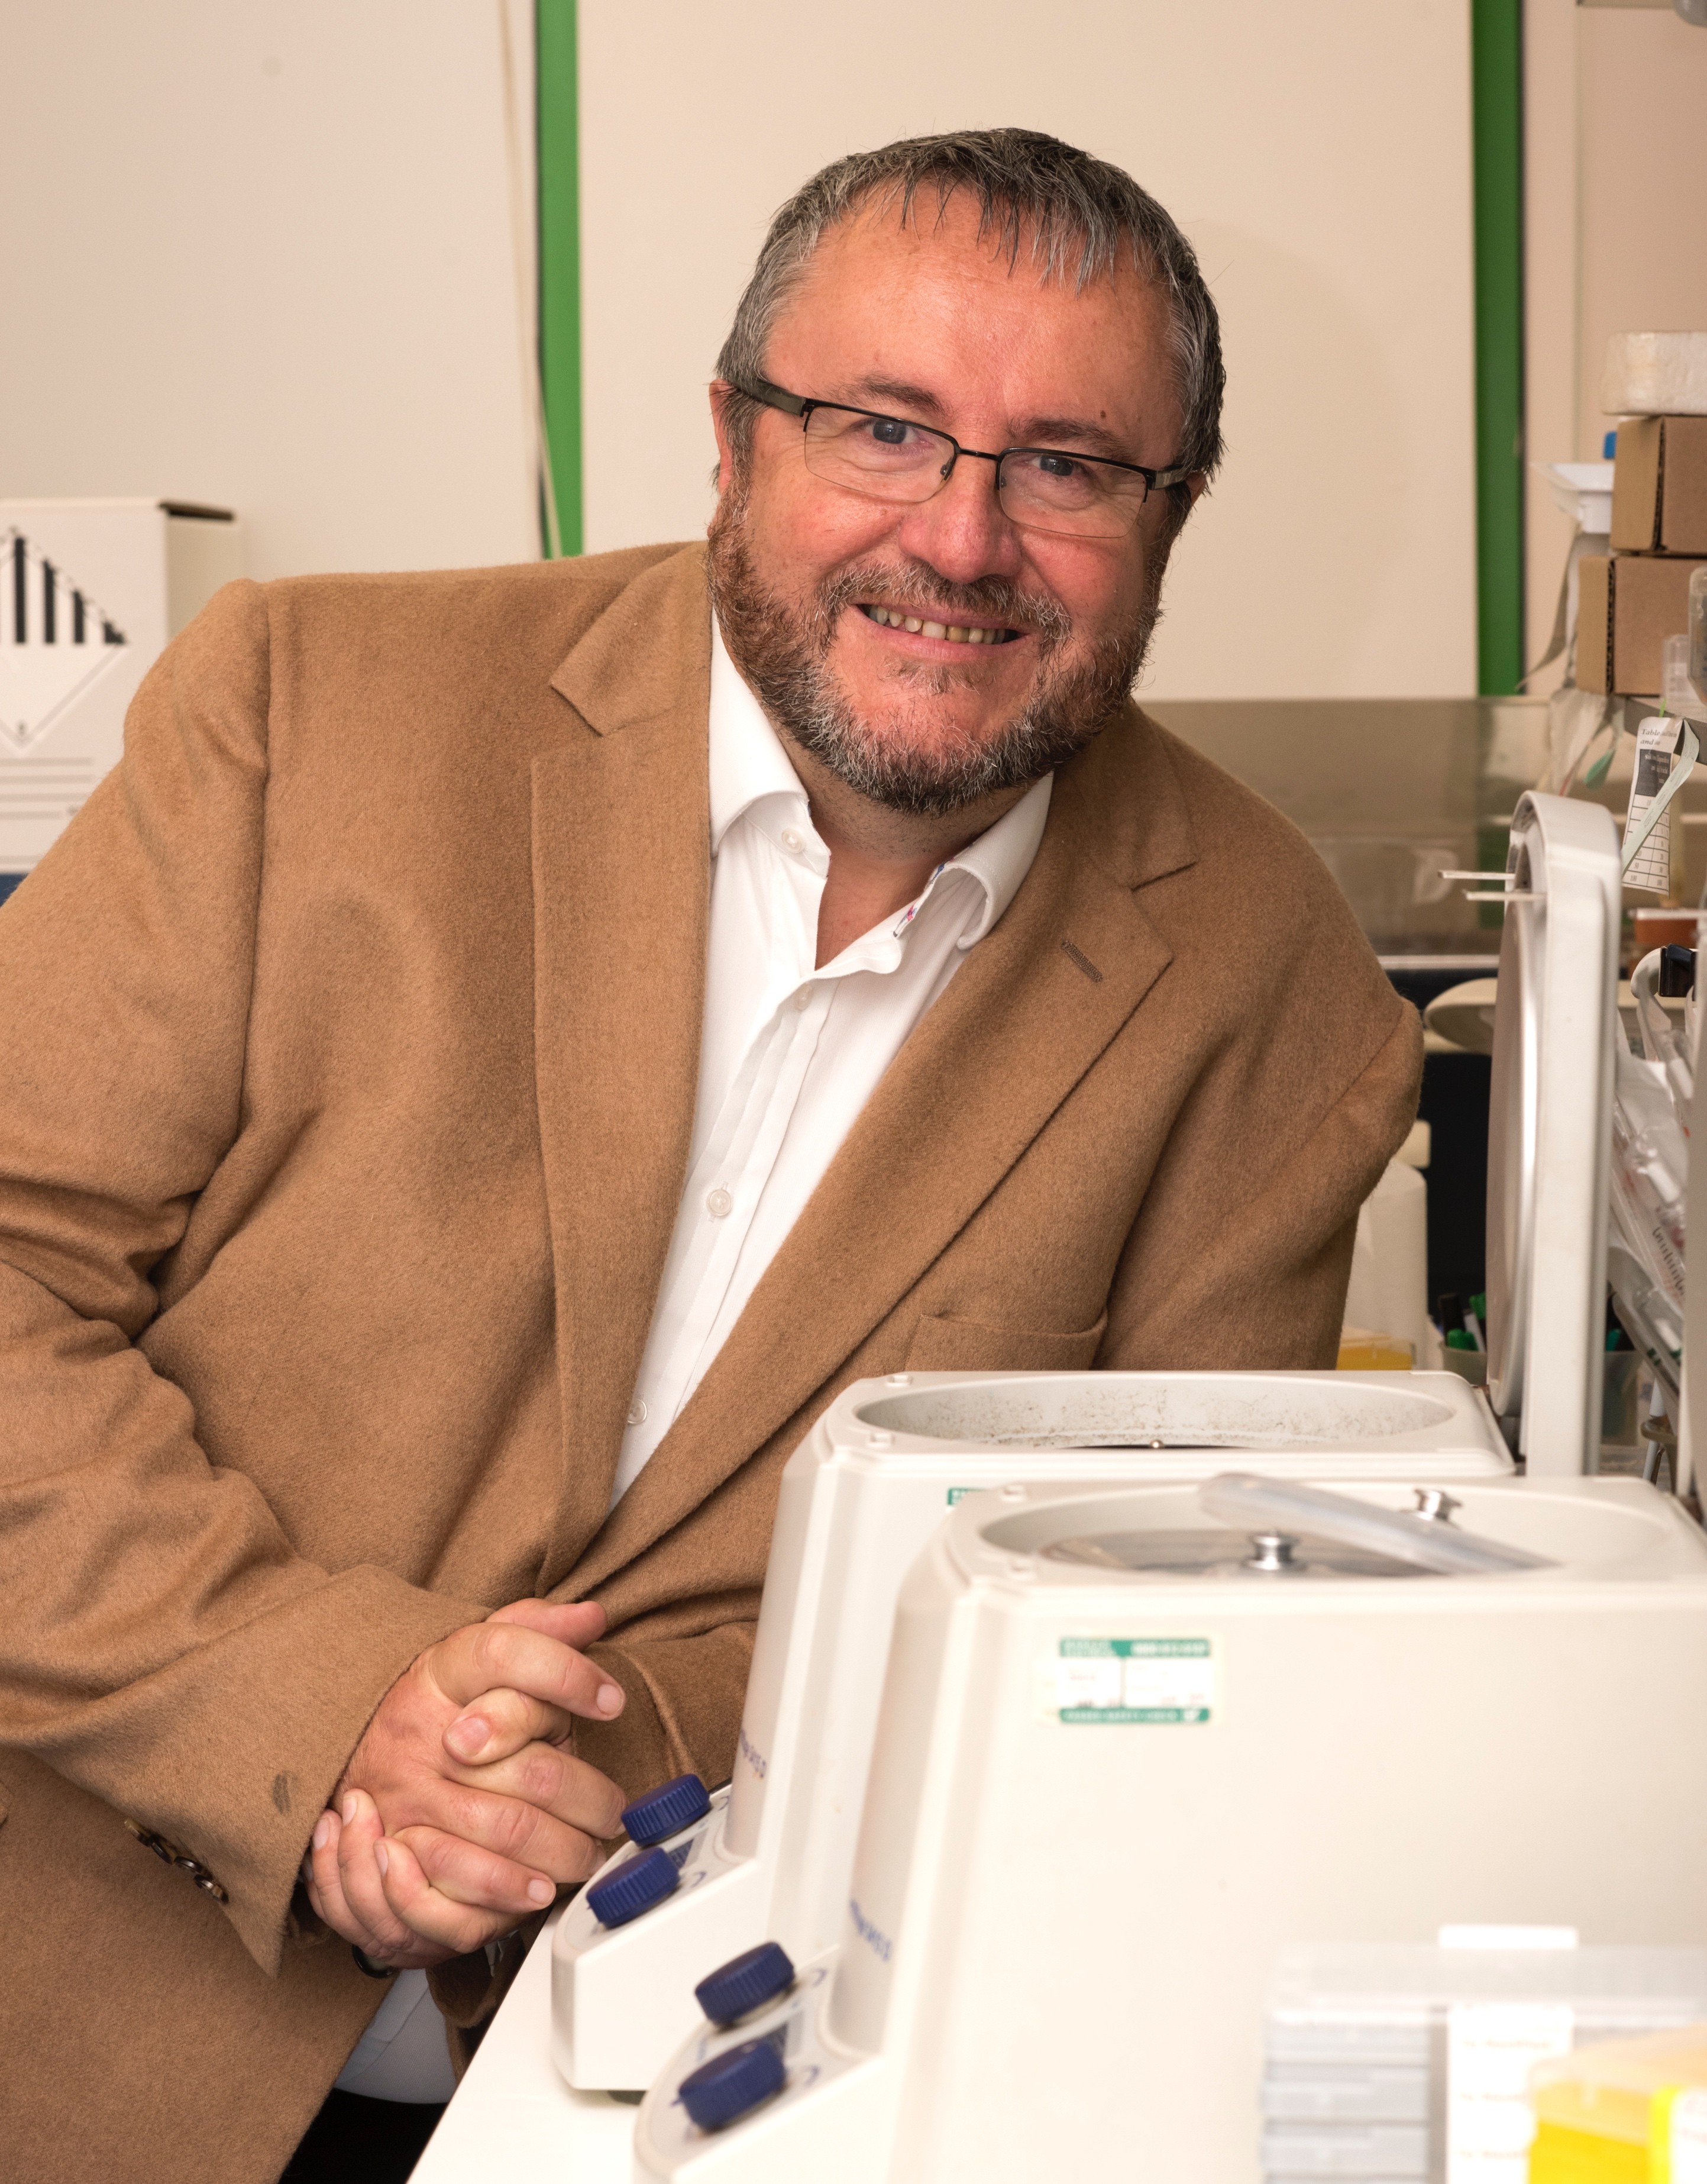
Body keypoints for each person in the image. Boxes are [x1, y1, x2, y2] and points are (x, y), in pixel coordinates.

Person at [0, 129, 1419, 2184]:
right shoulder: (304, 706)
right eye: (884, 428)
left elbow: (1136, 1649)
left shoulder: (1273, 988)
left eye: (1067, 466)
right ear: (735, 439)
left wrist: (570, 1766)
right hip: (90, 2024)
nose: (962, 537)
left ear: (1169, 516)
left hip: (740, 2099)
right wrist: (324, 1706)